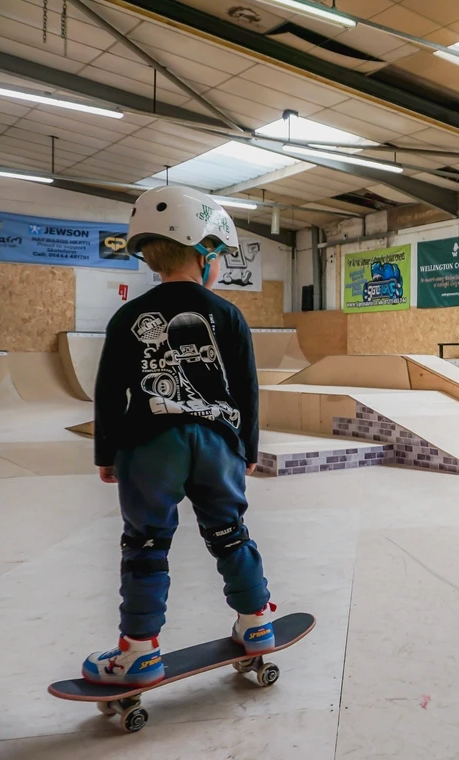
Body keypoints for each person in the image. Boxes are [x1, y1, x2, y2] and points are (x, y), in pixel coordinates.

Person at [85, 186, 274, 686]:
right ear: (205, 252)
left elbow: (109, 392)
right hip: (217, 443)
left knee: (145, 544)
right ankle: (256, 624)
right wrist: (247, 449)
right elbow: (248, 392)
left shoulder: (128, 317)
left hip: (150, 445)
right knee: (230, 533)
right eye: (218, 255)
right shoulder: (229, 315)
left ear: (151, 256)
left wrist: (107, 452)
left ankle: (139, 652)